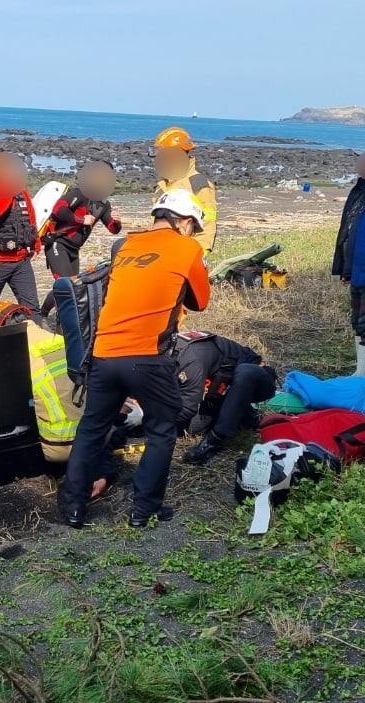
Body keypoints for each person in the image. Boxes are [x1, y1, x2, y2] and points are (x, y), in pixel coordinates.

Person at [59, 189, 211, 529]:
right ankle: (144, 509)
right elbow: (200, 301)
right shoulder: (188, 248)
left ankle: (73, 506)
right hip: (147, 357)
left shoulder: (126, 245)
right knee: (161, 430)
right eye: (193, 227)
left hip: (103, 353)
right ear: (185, 222)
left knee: (92, 428)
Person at [173, 331, 277, 465]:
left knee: (245, 372)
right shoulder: (165, 352)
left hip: (256, 378)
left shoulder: (190, 358)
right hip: (219, 394)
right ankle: (243, 416)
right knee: (185, 428)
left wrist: (151, 417)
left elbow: (187, 407)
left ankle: (214, 441)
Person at [40, 161, 123, 315]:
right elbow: (58, 209)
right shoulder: (79, 193)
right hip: (58, 244)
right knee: (66, 285)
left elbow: (112, 229)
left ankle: (50, 314)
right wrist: (81, 219)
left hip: (73, 250)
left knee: (73, 285)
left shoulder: (103, 204)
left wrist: (117, 222)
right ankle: (51, 317)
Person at [0, 150, 43, 323]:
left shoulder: (21, 192)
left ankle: (36, 336)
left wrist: (35, 244)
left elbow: (30, 217)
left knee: (32, 306)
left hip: (21, 258)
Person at [331, 148, 365, 377]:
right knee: (358, 321)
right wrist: (346, 269)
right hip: (360, 269)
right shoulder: (362, 191)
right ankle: (362, 371)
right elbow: (350, 232)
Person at [152, 127, 218, 253]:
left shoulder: (199, 184)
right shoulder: (163, 183)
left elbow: (207, 227)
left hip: (183, 252)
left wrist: (196, 254)